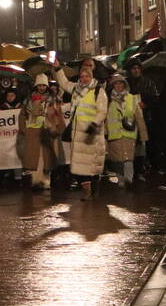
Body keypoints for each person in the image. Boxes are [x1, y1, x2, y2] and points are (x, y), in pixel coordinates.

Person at [53, 57, 107, 200]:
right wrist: (58, 68)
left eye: (86, 76)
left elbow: (102, 111)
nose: (83, 78)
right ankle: (87, 190)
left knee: (92, 165)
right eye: (82, 76)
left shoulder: (98, 91)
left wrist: (94, 124)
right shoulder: (76, 89)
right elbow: (63, 83)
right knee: (78, 166)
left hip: (92, 133)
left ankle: (93, 191)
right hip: (77, 133)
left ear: (91, 76)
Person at [19, 74, 63, 190]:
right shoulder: (29, 100)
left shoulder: (53, 99)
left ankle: (46, 181)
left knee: (46, 158)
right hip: (33, 133)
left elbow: (58, 114)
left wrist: (56, 127)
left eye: (44, 85)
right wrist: (24, 129)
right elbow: (23, 115)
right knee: (35, 159)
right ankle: (36, 181)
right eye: (40, 85)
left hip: (47, 132)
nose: (42, 87)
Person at [106, 74, 148, 188]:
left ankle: (128, 179)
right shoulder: (107, 100)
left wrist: (143, 135)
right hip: (114, 134)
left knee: (128, 158)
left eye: (121, 83)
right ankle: (121, 180)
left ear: (125, 85)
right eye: (116, 83)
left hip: (129, 133)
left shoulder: (132, 98)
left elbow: (139, 117)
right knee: (117, 160)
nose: (118, 85)